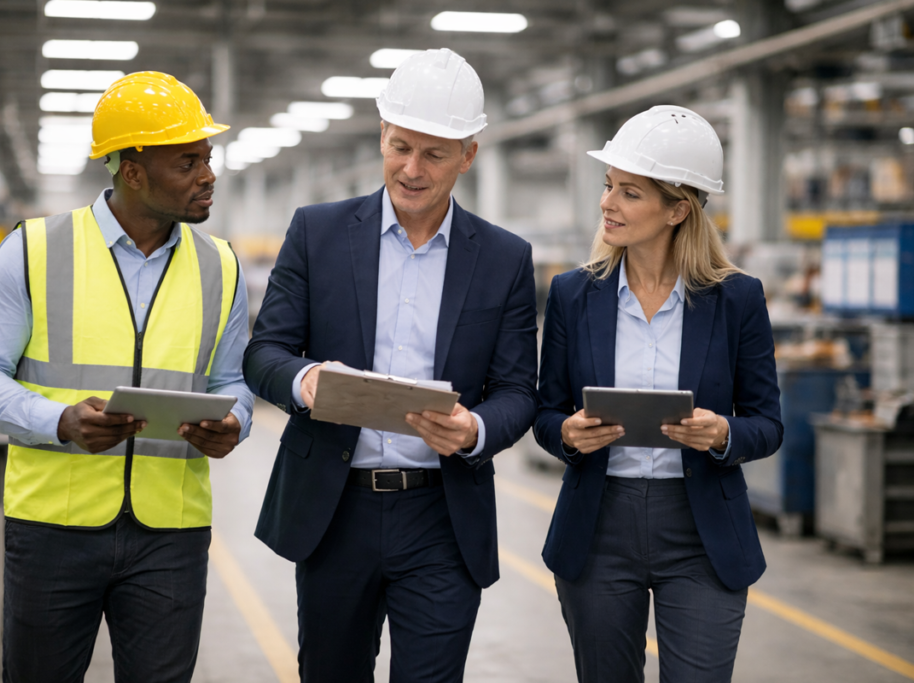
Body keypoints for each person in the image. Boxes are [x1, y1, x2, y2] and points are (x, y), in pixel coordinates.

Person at [244, 48, 538, 683]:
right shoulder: (317, 233)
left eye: (434, 154)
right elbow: (263, 352)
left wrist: (476, 431)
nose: (411, 168)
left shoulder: (504, 258)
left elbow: (518, 390)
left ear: (468, 154)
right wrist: (305, 381)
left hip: (441, 515)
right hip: (334, 508)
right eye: (400, 146)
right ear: (382, 133)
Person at [0, 71, 253, 683]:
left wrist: (236, 421)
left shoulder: (220, 265)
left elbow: (234, 380)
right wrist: (58, 420)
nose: (208, 176)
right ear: (132, 171)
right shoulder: (35, 249)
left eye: (208, 158)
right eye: (187, 162)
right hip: (53, 529)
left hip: (170, 532)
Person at [533, 105, 783, 683]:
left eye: (630, 193)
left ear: (678, 209)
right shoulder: (574, 294)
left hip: (700, 531)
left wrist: (722, 433)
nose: (607, 204)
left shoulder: (737, 299)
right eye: (608, 187)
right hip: (599, 525)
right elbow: (546, 413)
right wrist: (568, 433)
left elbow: (767, 423)